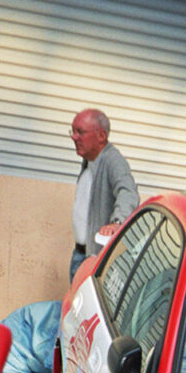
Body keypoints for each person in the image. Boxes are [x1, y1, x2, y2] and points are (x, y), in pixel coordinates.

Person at [69, 108, 139, 281]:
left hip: (96, 260)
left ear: (101, 136)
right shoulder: (90, 160)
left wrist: (118, 222)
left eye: (80, 132)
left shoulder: (113, 161)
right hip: (82, 253)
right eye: (73, 131)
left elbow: (128, 191)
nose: (74, 137)